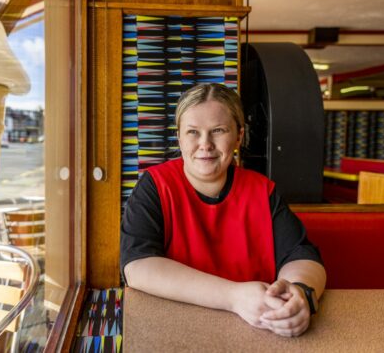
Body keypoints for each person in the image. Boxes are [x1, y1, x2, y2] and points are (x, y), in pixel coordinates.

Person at [120, 83, 326, 337]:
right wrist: (234, 297)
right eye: (193, 132)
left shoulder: (263, 191)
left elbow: (301, 254)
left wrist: (301, 293)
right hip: (173, 330)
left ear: (239, 136)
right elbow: (137, 267)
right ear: (179, 137)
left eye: (218, 130)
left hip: (256, 331)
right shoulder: (154, 186)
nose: (205, 144)